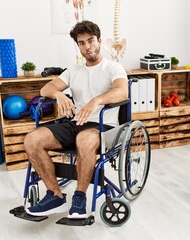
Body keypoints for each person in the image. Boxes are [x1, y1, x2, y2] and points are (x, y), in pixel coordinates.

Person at [23, 20, 128, 219]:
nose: (87, 47)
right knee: (32, 139)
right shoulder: (74, 70)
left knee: (84, 140)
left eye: (90, 41)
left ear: (99, 41)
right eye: (82, 43)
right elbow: (46, 89)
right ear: (78, 45)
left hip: (102, 126)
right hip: (76, 122)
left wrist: (96, 101)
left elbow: (122, 92)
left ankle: (79, 197)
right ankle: (55, 195)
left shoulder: (113, 68)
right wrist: (60, 95)